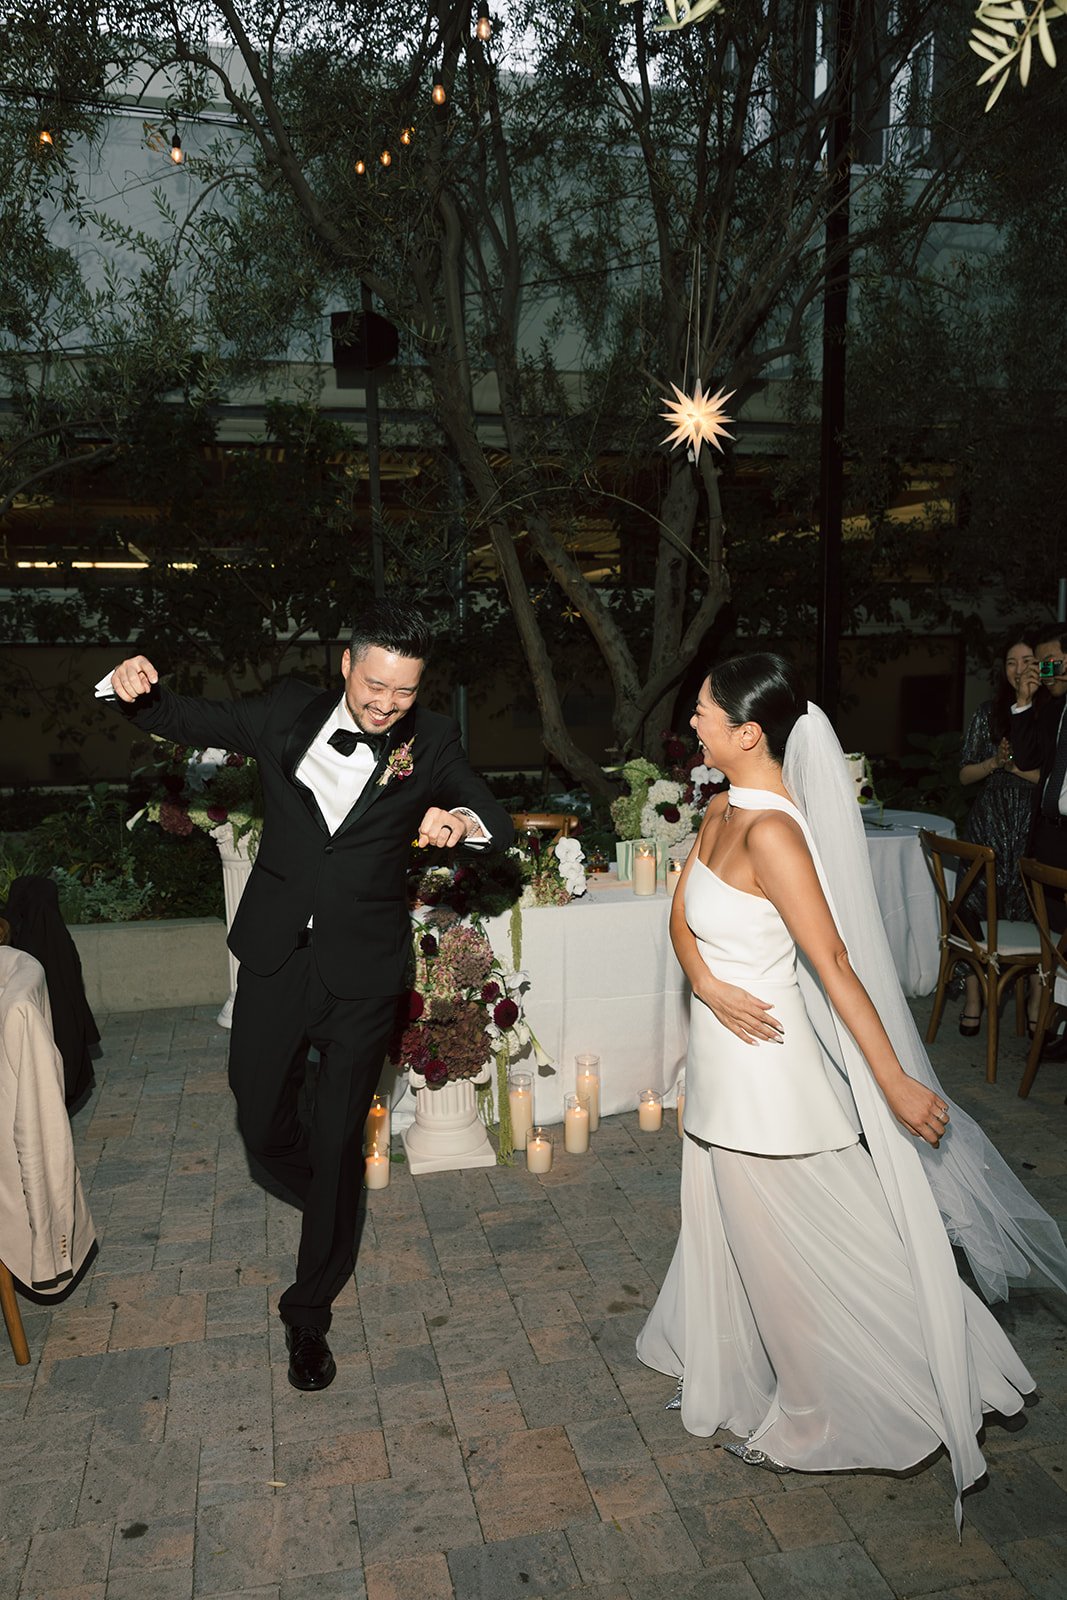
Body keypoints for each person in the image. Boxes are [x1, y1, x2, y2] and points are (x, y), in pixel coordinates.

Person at [637, 652, 1067, 1528]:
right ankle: (750, 1369)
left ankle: (830, 1412)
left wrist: (897, 1082)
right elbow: (680, 919)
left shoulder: (772, 834)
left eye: (705, 715)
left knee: (810, 1256)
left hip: (770, 1083)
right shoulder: (720, 808)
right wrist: (708, 986)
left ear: (748, 733)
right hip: (722, 1062)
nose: (694, 725)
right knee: (740, 1241)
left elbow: (832, 966)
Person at [99, 599, 514, 1390]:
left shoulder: (429, 741)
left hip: (362, 974)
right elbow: (192, 716)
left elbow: (487, 811)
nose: (388, 705)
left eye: (403, 692)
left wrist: (458, 822)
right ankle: (334, 1207)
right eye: (375, 687)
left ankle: (308, 1309)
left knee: (336, 1138)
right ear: (346, 666)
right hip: (277, 955)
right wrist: (134, 689)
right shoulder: (288, 708)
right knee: (259, 1119)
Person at [956, 632, 1041, 1037]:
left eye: (1027, 661)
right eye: (1011, 662)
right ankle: (973, 996)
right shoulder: (988, 712)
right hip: (988, 823)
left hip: (1031, 827)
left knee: (1032, 910)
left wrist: (1015, 770)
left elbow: (1049, 777)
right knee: (972, 904)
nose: (1019, 669)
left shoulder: (1050, 713)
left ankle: (1036, 1001)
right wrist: (994, 762)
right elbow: (964, 774)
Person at [1010, 623, 1067, 1057]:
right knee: (1055, 940)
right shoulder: (1050, 709)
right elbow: (1027, 758)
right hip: (1049, 836)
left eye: (1052, 662)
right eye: (1040, 662)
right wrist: (1025, 702)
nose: (1044, 671)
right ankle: (1054, 1022)